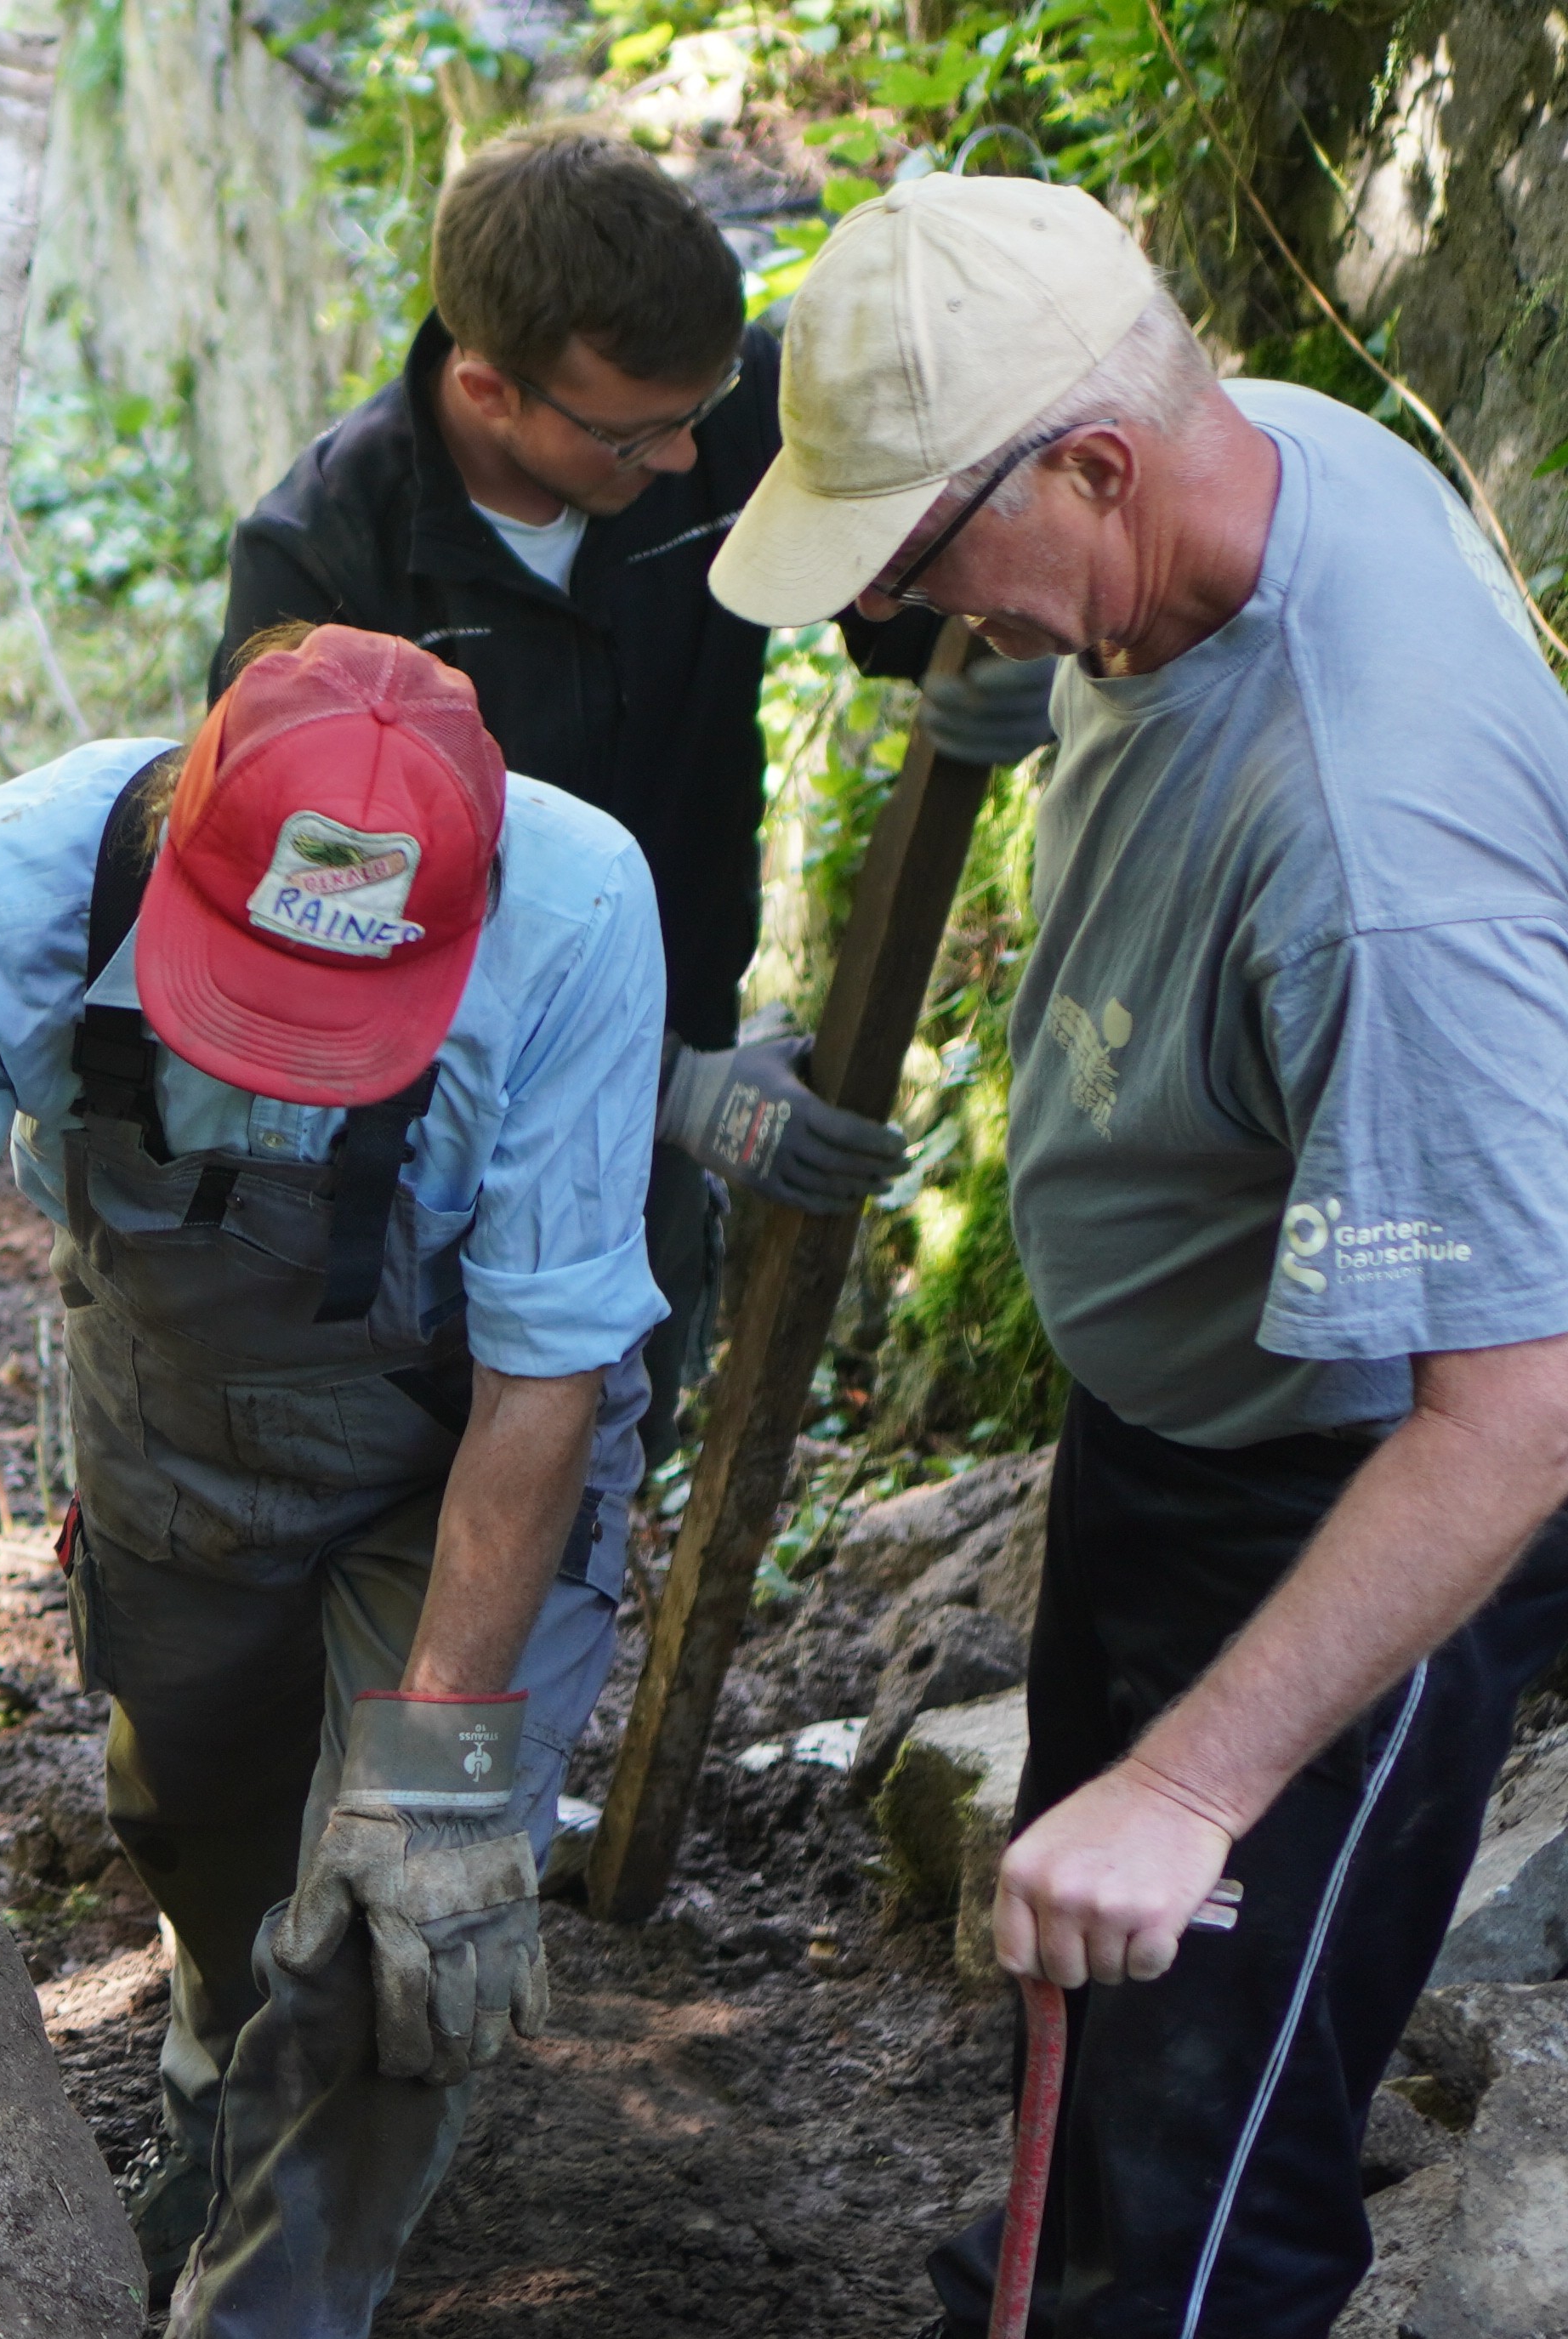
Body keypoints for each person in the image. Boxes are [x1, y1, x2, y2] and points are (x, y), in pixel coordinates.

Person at [702, 179, 1568, 2339]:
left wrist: (1197, 1780)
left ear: (1094, 469)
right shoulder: (1262, 471)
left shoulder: (1391, 854)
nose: (918, 617)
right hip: (1212, 1419)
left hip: (1376, 1492)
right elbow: (1103, 662)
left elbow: (1519, 1408)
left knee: (1225, 2097)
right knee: (1096, 1965)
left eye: (933, 558)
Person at [0, 625, 671, 2339]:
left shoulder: (579, 910)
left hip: (457, 1441)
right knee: (210, 1843)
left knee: (394, 1929)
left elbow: (546, 1364)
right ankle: (221, 2133)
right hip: (171, 1411)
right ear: (182, 832)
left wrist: (444, 1764)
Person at [218, 123, 1051, 1433]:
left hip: (661, 1086)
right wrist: (674, 1089)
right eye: (637, 435)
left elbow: (887, 572)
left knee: (598, 1441)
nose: (683, 464)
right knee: (414, 1452)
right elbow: (315, 921)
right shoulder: (326, 564)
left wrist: (990, 633)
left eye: (700, 414)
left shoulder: (720, 424)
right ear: (491, 391)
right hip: (412, 1135)